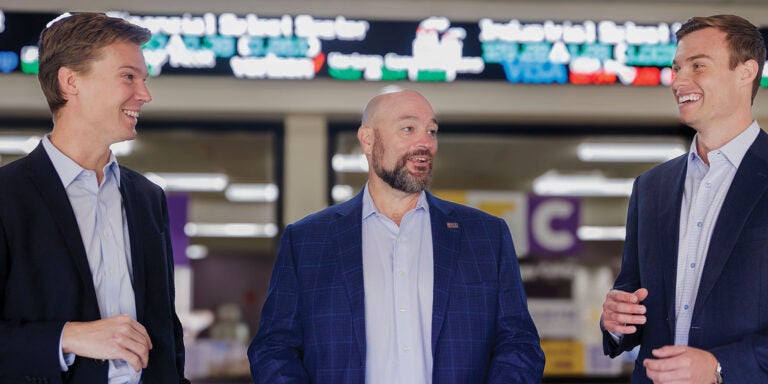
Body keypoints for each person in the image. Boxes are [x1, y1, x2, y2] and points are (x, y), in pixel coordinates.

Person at [248, 89, 544, 383]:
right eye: (408, 128)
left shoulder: (486, 237)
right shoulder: (307, 242)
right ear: (368, 140)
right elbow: (274, 349)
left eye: (431, 131)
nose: (425, 142)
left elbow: (519, 344)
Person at [0, 13, 189, 383]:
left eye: (144, 80)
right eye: (128, 76)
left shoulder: (148, 199)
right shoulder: (8, 196)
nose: (145, 95)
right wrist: (68, 337)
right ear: (71, 82)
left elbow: (166, 332)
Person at [601, 14, 768, 383]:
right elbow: (631, 293)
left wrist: (720, 367)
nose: (678, 81)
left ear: (746, 72)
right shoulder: (650, 187)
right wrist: (616, 322)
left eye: (698, 66)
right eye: (676, 68)